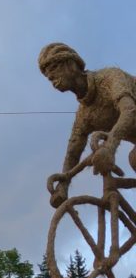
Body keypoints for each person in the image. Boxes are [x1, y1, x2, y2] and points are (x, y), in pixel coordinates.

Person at [39, 42, 136, 207]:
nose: (52, 79)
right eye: (48, 77)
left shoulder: (110, 78)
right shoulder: (84, 115)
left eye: (54, 69)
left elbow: (129, 110)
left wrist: (110, 146)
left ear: (71, 64)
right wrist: (63, 185)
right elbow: (73, 153)